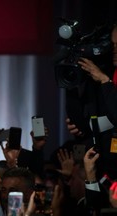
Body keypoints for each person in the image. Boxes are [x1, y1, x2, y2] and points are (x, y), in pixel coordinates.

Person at [65, 24, 117, 180]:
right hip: (105, 171)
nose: (114, 49)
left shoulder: (104, 78)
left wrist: (104, 81)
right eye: (112, 44)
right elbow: (89, 122)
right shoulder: (106, 72)